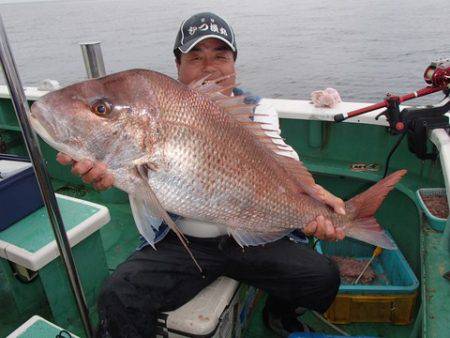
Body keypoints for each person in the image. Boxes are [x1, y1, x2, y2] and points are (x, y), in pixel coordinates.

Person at [57, 12, 345, 338]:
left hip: (249, 234)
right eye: (196, 57)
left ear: (234, 62)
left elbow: (279, 154)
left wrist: (314, 195)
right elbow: (137, 172)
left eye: (220, 56)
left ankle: (279, 313)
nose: (209, 67)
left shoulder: (256, 108)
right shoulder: (158, 110)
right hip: (183, 241)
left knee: (323, 277)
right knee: (117, 295)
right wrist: (105, 174)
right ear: (178, 66)